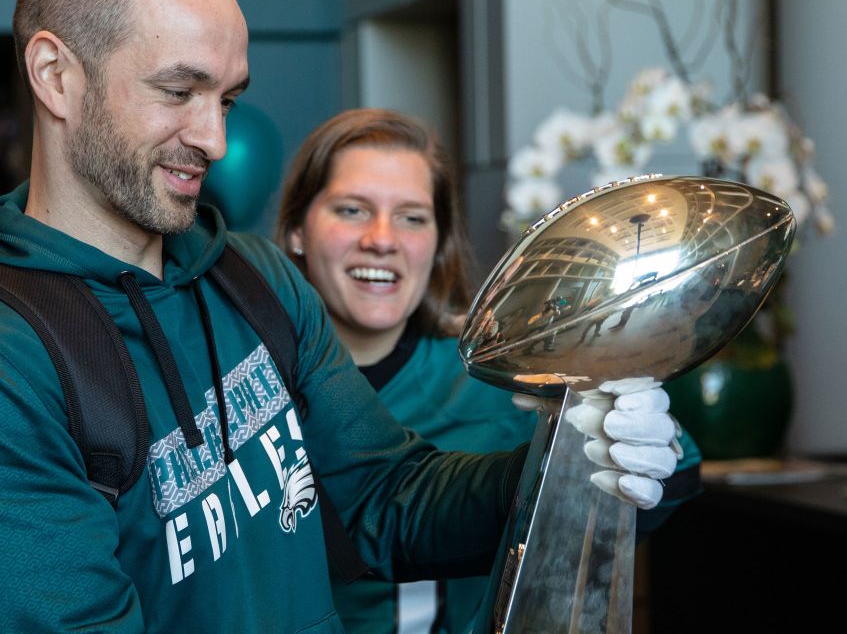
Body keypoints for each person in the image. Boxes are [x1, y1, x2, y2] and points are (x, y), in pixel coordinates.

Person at [0, 0, 679, 632]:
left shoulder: (251, 276)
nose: (213, 139)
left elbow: (387, 500)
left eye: (229, 99)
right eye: (178, 90)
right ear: (55, 75)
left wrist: (572, 458)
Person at [275, 108, 702, 634]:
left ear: (438, 245)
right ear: (296, 230)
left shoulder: (499, 379)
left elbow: (663, 490)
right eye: (352, 210)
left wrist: (625, 420)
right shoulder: (248, 385)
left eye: (412, 217)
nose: (382, 239)